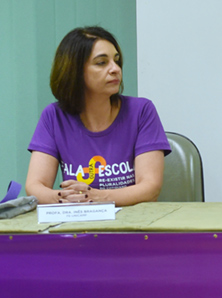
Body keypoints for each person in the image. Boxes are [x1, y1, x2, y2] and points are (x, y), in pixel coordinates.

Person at [26, 26, 170, 205]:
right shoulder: (53, 116)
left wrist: (97, 197)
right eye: (102, 62)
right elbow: (34, 186)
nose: (115, 69)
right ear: (75, 71)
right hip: (79, 224)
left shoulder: (141, 111)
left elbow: (150, 188)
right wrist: (64, 199)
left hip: (133, 224)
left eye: (116, 61)